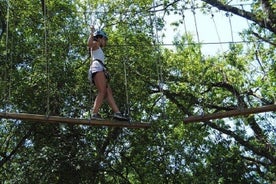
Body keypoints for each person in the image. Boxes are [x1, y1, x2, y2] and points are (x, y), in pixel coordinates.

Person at [87, 26, 128, 121]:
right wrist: (92, 33)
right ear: (100, 38)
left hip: (100, 68)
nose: (105, 42)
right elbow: (89, 44)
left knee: (108, 92)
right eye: (104, 39)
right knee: (102, 91)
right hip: (97, 67)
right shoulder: (95, 44)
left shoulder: (99, 49)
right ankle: (94, 114)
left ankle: (117, 113)